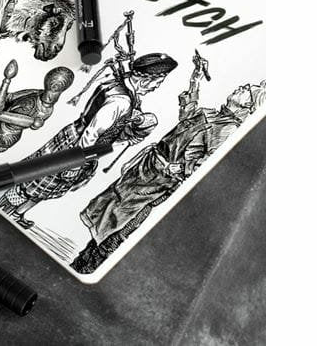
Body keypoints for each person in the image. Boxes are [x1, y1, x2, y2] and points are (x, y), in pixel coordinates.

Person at [71, 55, 265, 274]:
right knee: (109, 211)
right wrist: (195, 79)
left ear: (248, 106)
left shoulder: (229, 130)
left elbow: (211, 164)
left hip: (159, 181)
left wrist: (181, 169)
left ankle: (89, 267)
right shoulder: (211, 114)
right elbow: (187, 113)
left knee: (121, 224)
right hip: (146, 170)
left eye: (246, 90)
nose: (241, 88)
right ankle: (81, 262)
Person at [0, 53, 176, 229]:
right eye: (158, 82)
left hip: (75, 138)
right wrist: (75, 165)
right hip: (79, 147)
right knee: (35, 181)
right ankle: (2, 210)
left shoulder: (117, 84)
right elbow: (91, 133)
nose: (156, 87)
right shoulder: (121, 102)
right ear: (146, 80)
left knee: (47, 186)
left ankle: (18, 213)